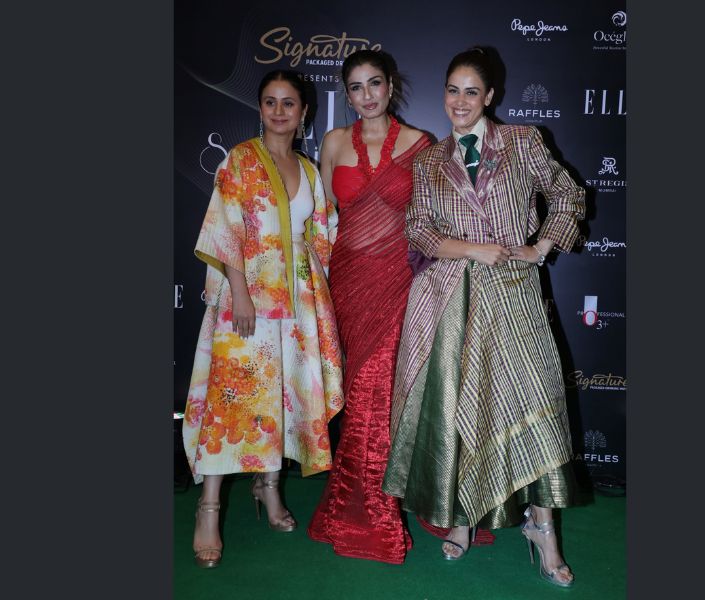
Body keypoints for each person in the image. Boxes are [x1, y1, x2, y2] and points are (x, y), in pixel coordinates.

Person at [382, 47, 586, 587]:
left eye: (471, 91)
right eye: (452, 90)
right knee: (463, 411)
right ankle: (463, 517)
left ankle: (543, 530)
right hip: (451, 299)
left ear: (490, 96)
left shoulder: (522, 141)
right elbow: (418, 229)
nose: (460, 101)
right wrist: (471, 248)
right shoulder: (429, 161)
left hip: (515, 296)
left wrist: (540, 248)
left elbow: (567, 193)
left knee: (533, 403)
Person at [182, 70, 344, 568]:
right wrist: (240, 294)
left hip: (298, 303)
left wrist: (318, 302)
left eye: (288, 103)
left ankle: (269, 487)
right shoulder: (239, 160)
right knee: (230, 403)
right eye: (270, 102)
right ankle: (209, 509)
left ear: (303, 113)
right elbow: (224, 230)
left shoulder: (310, 170)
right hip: (247, 299)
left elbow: (322, 236)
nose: (279, 111)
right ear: (259, 109)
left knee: (282, 398)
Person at [307, 49, 431, 564]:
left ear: (390, 85)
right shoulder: (334, 143)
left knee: (377, 396)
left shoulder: (421, 144)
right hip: (346, 283)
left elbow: (433, 219)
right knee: (359, 395)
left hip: (398, 283)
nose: (367, 95)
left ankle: (369, 514)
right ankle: (357, 503)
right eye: (356, 87)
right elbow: (321, 219)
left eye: (374, 83)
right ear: (347, 94)